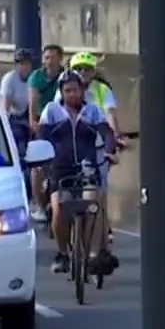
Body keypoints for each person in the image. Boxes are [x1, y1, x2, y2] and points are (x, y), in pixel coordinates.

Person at [37, 70, 115, 275]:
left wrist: (108, 153)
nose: (72, 94)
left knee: (93, 204)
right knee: (60, 208)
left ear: (82, 91)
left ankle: (92, 255)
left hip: (88, 165)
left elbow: (107, 134)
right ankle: (63, 253)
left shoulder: (93, 111)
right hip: (60, 168)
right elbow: (42, 137)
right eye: (67, 90)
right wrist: (42, 159)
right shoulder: (52, 111)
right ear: (61, 92)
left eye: (76, 90)